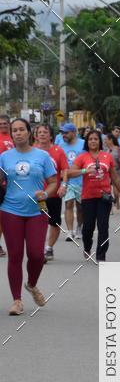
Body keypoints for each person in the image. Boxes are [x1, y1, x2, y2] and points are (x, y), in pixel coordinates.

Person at [0, 118, 57, 315]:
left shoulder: (42, 156)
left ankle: (32, 285)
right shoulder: (4, 157)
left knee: (36, 255)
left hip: (36, 211)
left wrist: (46, 193)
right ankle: (17, 301)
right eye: (14, 130)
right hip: (10, 210)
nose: (17, 133)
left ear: (28, 132)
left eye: (21, 129)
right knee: (15, 256)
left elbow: (52, 181)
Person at [66, 128, 120, 261]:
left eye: (95, 139)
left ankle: (101, 255)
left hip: (104, 197)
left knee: (103, 227)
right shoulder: (82, 157)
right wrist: (84, 170)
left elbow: (115, 177)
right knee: (88, 228)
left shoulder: (107, 156)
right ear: (87, 142)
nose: (93, 141)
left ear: (99, 141)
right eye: (90, 139)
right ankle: (87, 247)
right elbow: (69, 172)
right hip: (88, 197)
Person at [34, 124, 68, 261]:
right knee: (40, 221)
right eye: (39, 132)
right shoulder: (33, 150)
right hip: (39, 195)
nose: (42, 134)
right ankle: (40, 250)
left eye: (45, 132)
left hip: (54, 193)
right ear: (36, 136)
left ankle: (49, 248)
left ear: (50, 135)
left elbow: (65, 170)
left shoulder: (58, 151)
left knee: (54, 222)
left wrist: (63, 185)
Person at [55, 122, 85, 241]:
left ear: (73, 132)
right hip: (68, 180)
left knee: (80, 207)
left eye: (66, 133)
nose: (64, 135)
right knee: (68, 204)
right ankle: (69, 232)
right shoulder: (61, 146)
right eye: (62, 133)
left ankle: (79, 228)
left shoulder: (83, 144)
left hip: (82, 179)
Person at [0, 114, 15, 257]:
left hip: (13, 180)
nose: (3, 126)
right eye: (1, 124)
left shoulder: (12, 138)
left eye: (5, 123)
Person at [104, 132, 120, 211]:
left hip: (117, 172)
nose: (105, 141)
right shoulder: (107, 150)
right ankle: (114, 204)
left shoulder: (117, 149)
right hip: (107, 173)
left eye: (106, 140)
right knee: (109, 190)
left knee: (117, 191)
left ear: (111, 140)